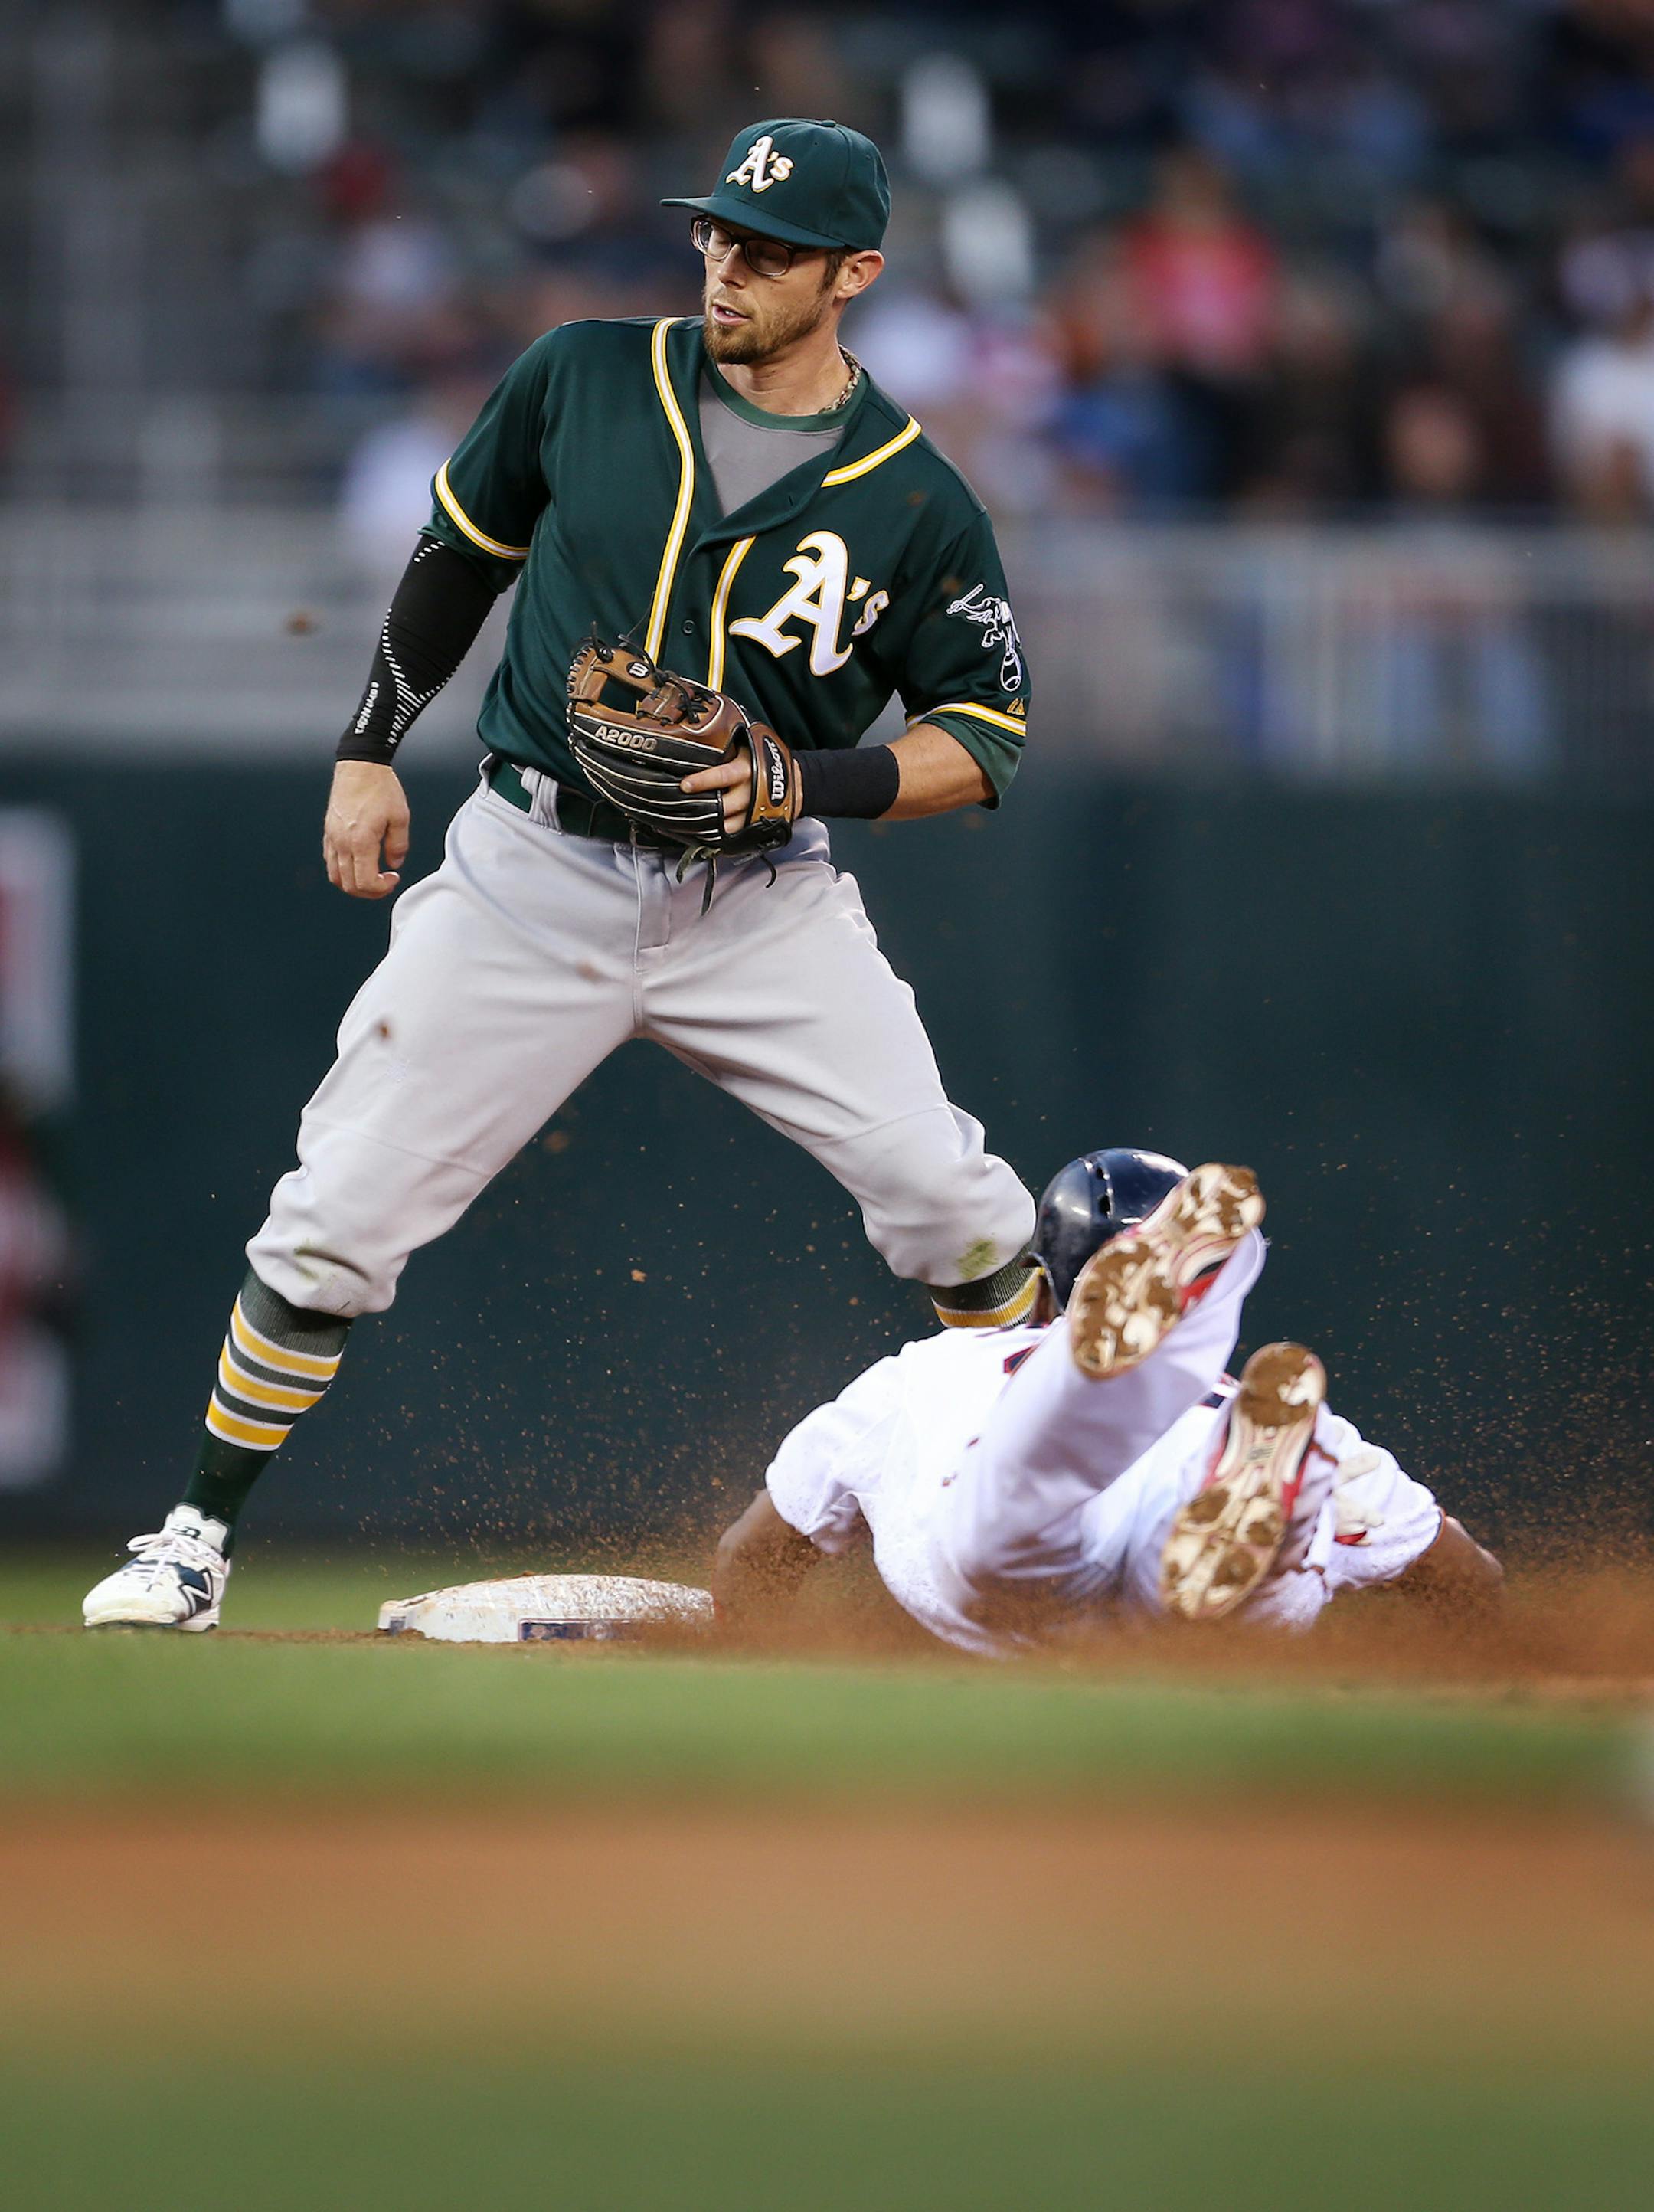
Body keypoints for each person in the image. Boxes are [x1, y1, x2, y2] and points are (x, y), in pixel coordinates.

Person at [84, 119, 1037, 1632]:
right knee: (336, 1209)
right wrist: (366, 745)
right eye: (719, 233)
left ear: (853, 275)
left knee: (958, 1210)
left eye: (772, 250)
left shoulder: (916, 497)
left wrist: (814, 776)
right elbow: (459, 553)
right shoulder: (586, 374)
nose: (729, 264)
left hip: (763, 899)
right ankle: (193, 1537)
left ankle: (1036, 1547)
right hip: (534, 868)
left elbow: (987, 732)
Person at [714, 1152, 1501, 1651]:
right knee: (1239, 1605)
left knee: (1014, 1509)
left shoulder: (932, 1369)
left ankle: (1089, 1375)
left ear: (1043, 1281)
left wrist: (756, 1659)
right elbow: (1469, 1585)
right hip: (1195, 1496)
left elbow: (752, 1557)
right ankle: (1253, 1517)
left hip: (1004, 1547)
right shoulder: (1304, 1422)